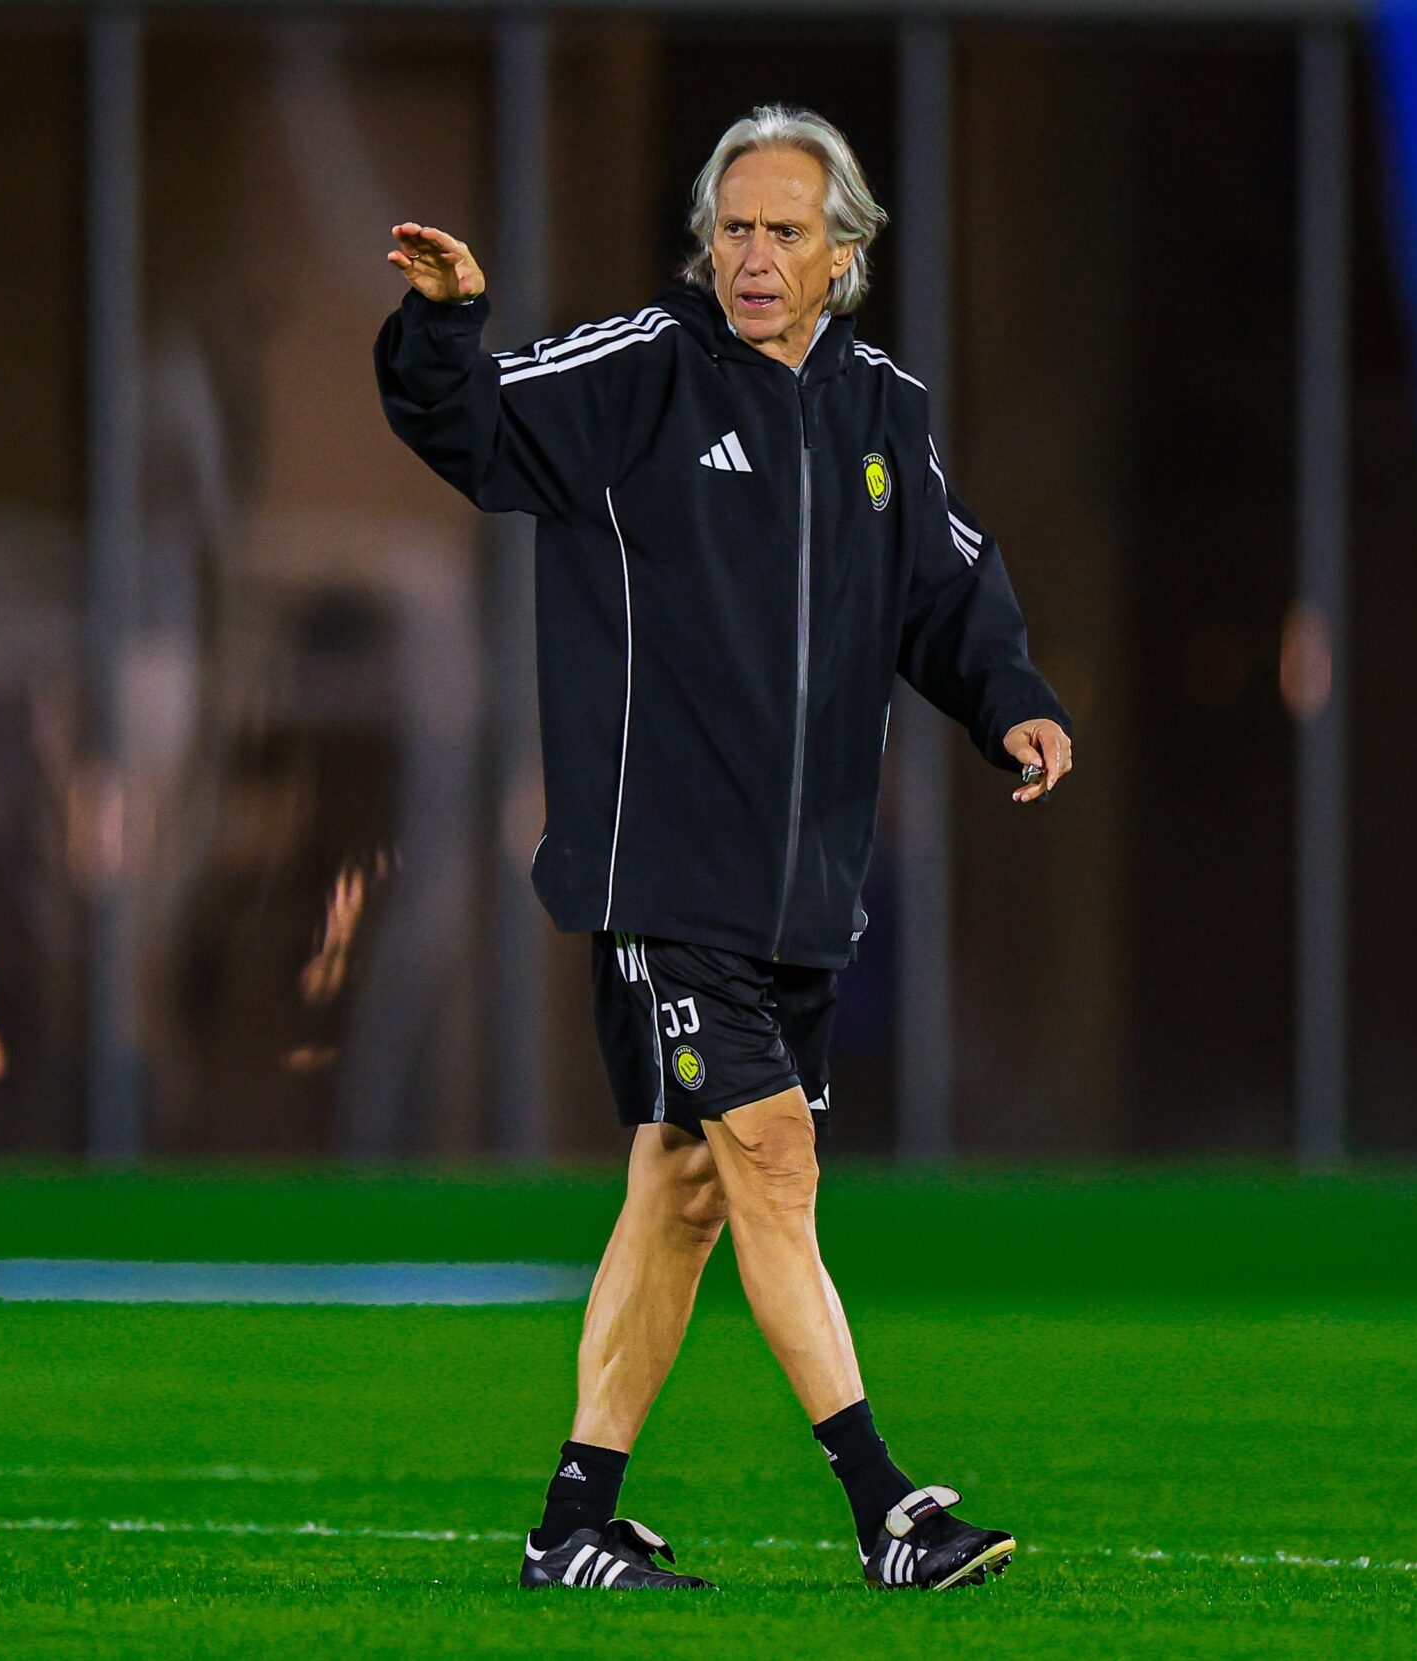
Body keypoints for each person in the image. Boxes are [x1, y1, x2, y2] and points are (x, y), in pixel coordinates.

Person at [374, 103, 1072, 1593]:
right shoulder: (642, 372)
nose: (753, 255)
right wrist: (446, 328)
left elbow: (951, 591)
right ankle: (889, 1505)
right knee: (772, 1154)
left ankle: (574, 1519)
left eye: (785, 230)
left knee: (684, 1191)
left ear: (846, 253)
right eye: (734, 226)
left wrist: (1010, 700)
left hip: (802, 887)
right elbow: (478, 426)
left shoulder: (883, 412)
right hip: (663, 872)